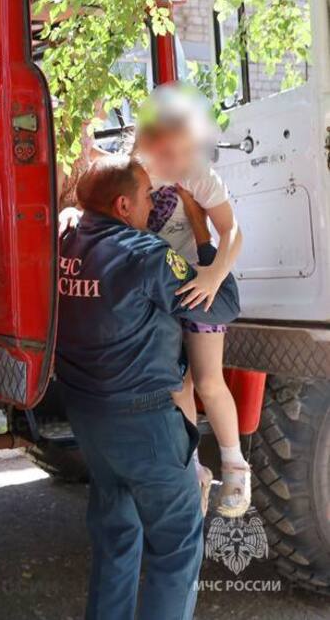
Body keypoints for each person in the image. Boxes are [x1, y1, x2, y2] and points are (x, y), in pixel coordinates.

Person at [56, 155, 241, 620]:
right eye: (145, 197)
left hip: (89, 419)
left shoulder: (63, 241)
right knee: (176, 546)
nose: (152, 204)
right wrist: (201, 232)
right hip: (146, 424)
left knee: (116, 539)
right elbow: (223, 305)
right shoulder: (146, 254)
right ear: (122, 205)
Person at [132, 85, 248, 517]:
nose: (178, 161)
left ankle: (235, 465)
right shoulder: (135, 172)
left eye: (186, 149)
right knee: (175, 382)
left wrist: (215, 273)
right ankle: (194, 471)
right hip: (157, 290)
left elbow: (232, 230)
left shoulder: (198, 172)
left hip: (198, 284)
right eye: (170, 150)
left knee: (207, 379)